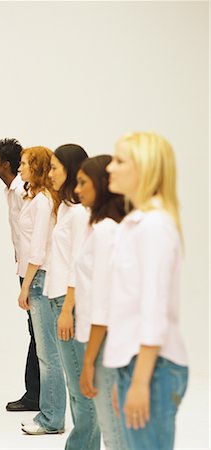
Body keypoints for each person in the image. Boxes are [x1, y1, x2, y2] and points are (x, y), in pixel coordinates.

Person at [105, 132, 188, 450]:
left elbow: (155, 310)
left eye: (120, 161)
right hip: (139, 366)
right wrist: (123, 376)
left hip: (153, 368)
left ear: (146, 169)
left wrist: (140, 382)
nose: (110, 168)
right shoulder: (137, 224)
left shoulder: (154, 227)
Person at [44, 144, 100, 449]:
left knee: (82, 386)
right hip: (59, 301)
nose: (49, 174)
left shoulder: (81, 213)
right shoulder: (66, 208)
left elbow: (79, 265)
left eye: (54, 168)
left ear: (72, 170)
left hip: (70, 306)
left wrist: (67, 309)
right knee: (76, 382)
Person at [74, 155, 129, 449]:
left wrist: (89, 360)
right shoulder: (103, 228)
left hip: (105, 343)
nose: (77, 190)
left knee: (115, 434)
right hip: (106, 341)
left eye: (84, 183)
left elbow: (102, 305)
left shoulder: (106, 231)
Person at [0, 138, 40, 412]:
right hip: (24, 268)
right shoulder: (11, 190)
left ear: (6, 164)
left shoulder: (22, 190)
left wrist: (28, 272)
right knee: (35, 331)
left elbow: (38, 231)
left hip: (33, 270)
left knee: (38, 332)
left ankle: (35, 395)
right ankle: (35, 394)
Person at [15, 147, 63, 435]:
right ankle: (50, 415)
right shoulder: (36, 199)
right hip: (38, 279)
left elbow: (38, 250)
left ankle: (52, 419)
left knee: (48, 355)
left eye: (23, 164)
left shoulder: (43, 202)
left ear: (36, 167)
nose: (20, 168)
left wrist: (25, 286)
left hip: (40, 280)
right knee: (47, 352)